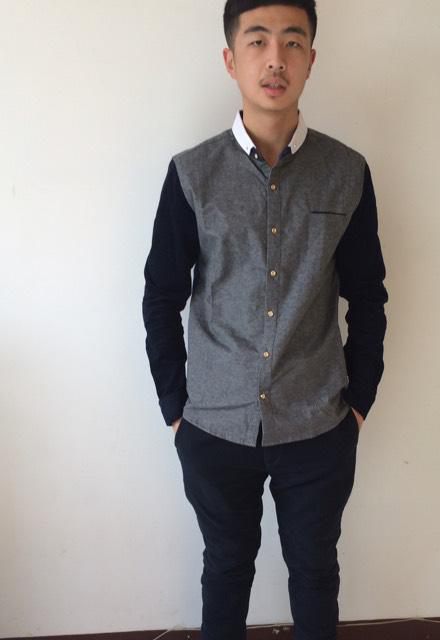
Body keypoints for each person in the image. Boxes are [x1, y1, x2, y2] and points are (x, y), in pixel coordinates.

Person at [142, 1, 389, 638]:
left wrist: (359, 401)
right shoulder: (192, 174)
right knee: (225, 570)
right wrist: (176, 407)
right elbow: (161, 295)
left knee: (315, 574)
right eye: (257, 41)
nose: (275, 58)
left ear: (311, 59)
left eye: (292, 42)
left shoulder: (347, 173)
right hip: (213, 425)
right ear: (231, 60)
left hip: (318, 424)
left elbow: (368, 295)